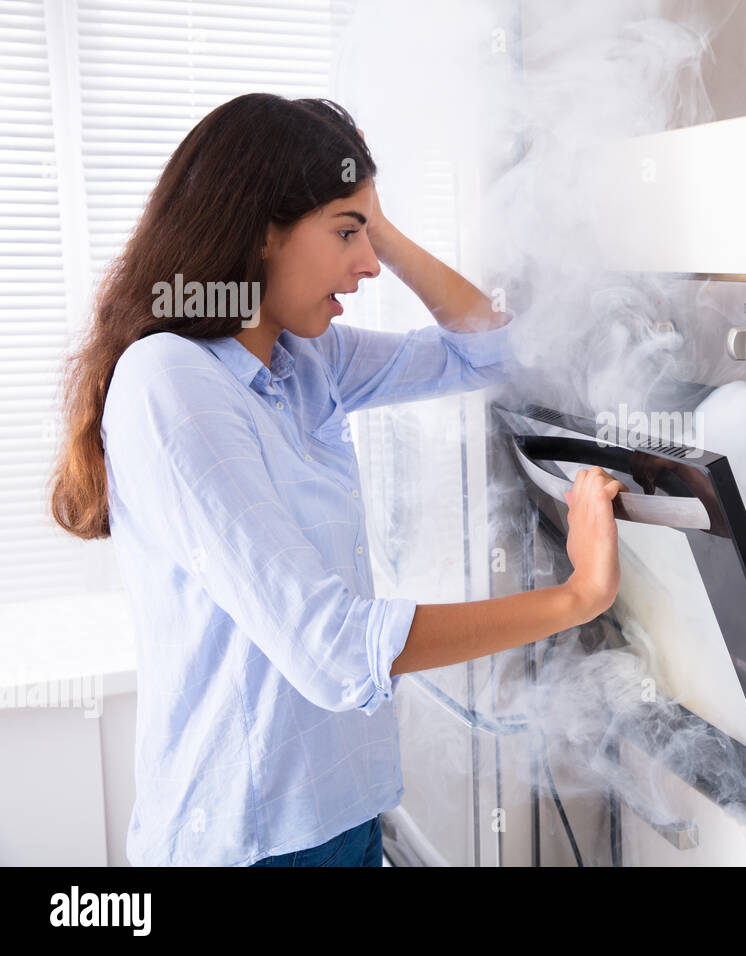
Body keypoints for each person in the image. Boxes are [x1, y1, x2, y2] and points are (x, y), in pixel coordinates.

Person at [48, 93, 625, 867]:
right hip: (250, 844)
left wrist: (374, 219)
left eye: (367, 235)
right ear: (260, 232)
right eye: (346, 233)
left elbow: (491, 352)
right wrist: (577, 597)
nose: (366, 264)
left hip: (344, 818)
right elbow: (335, 649)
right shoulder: (171, 384)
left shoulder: (299, 360)